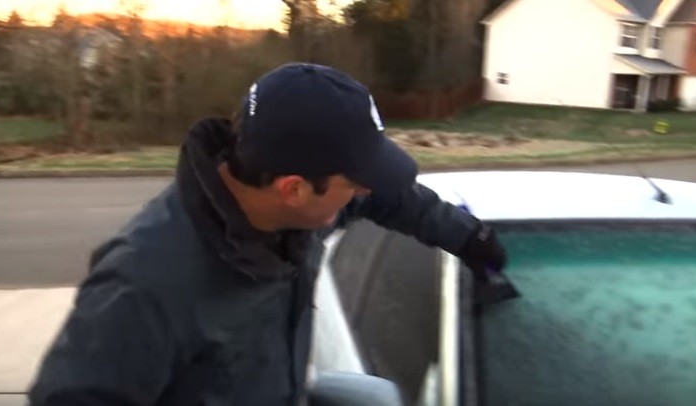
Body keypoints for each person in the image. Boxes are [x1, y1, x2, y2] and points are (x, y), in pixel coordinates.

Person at [27, 63, 508, 406]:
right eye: (354, 182)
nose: (364, 191)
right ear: (293, 189)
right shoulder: (143, 287)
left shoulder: (296, 210)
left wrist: (467, 237)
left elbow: (389, 198)